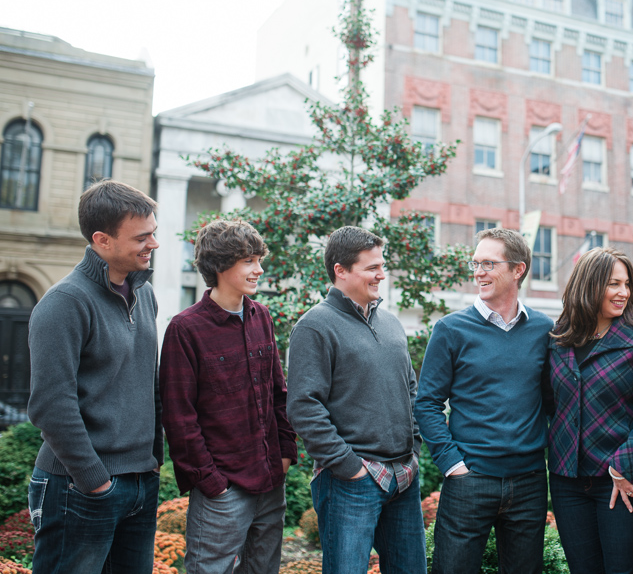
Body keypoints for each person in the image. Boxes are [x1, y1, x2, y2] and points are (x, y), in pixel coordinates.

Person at [26, 180, 162, 574]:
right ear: (102, 240)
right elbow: (51, 405)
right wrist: (95, 481)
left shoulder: (145, 294)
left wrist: (153, 460)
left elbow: (147, 381)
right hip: (80, 487)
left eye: (153, 232)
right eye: (142, 236)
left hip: (139, 480)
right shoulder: (64, 303)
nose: (153, 243)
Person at [160, 219, 297, 574]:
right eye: (249, 261)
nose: (259, 269)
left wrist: (284, 454)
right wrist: (211, 482)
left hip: (270, 482)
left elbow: (278, 393)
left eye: (258, 259)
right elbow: (179, 417)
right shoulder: (185, 329)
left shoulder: (261, 317)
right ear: (221, 265)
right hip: (223, 490)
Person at [286, 226, 424, 574]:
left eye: (382, 265)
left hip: (403, 477)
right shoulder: (314, 326)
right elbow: (303, 406)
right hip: (351, 482)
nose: (382, 274)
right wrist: (350, 468)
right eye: (372, 267)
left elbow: (411, 390)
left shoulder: (391, 323)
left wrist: (415, 449)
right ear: (341, 270)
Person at [415, 227, 553, 574]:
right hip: (469, 480)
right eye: (475, 263)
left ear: (517, 269)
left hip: (529, 482)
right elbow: (427, 403)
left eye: (489, 263)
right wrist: (452, 465)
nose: (478, 272)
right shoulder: (450, 330)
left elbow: (553, 402)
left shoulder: (544, 330)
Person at [545, 247, 633, 574]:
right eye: (613, 284)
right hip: (567, 480)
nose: (624, 293)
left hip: (619, 482)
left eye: (627, 284)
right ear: (589, 285)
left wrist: (622, 465)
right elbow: (551, 405)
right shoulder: (559, 338)